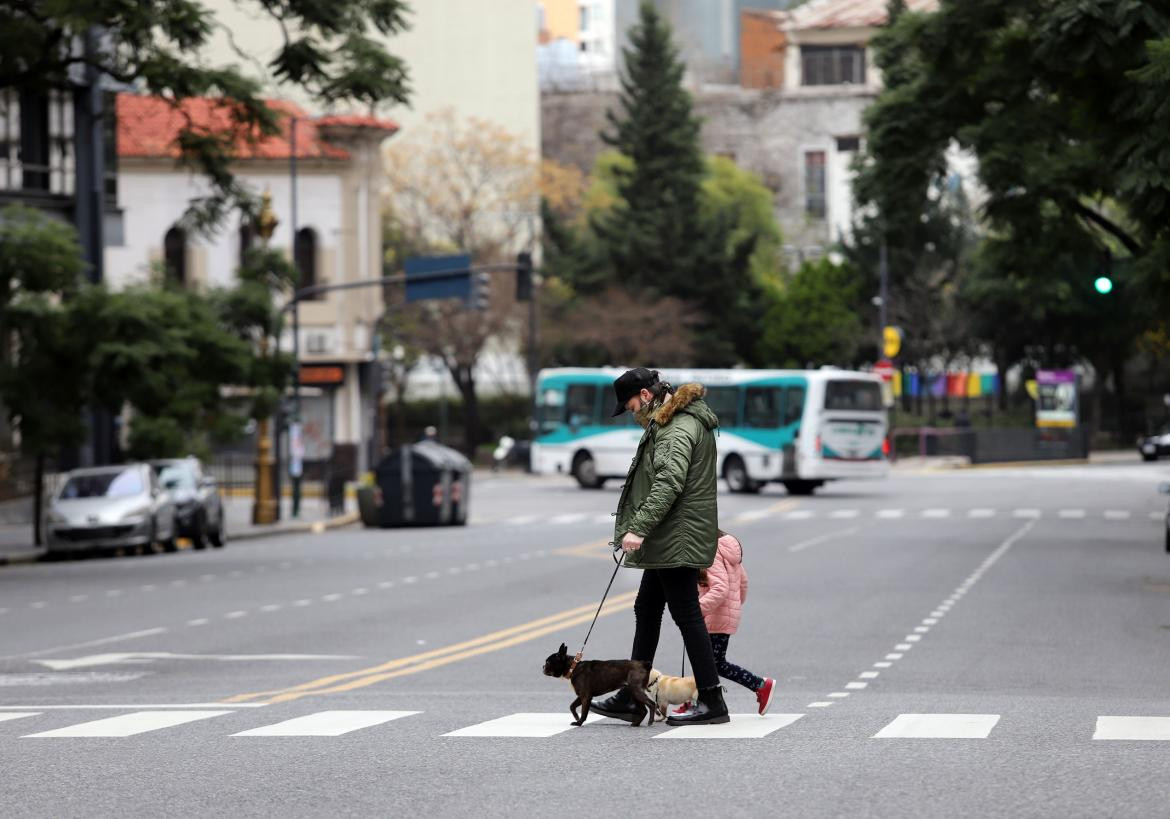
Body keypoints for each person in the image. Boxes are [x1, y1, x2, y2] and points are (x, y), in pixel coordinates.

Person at [590, 368, 728, 726]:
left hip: (675, 535)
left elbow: (669, 482)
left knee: (686, 614)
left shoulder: (676, 429)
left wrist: (638, 528)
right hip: (671, 535)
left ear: (646, 396)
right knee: (647, 608)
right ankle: (633, 697)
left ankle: (712, 701)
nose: (631, 410)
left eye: (631, 403)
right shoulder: (670, 423)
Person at [672, 531, 775, 717]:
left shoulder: (710, 551)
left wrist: (696, 611)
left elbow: (720, 588)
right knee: (707, 661)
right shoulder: (728, 549)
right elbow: (743, 582)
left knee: (712, 662)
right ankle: (695, 700)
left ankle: (760, 684)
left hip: (714, 615)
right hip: (723, 614)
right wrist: (734, 606)